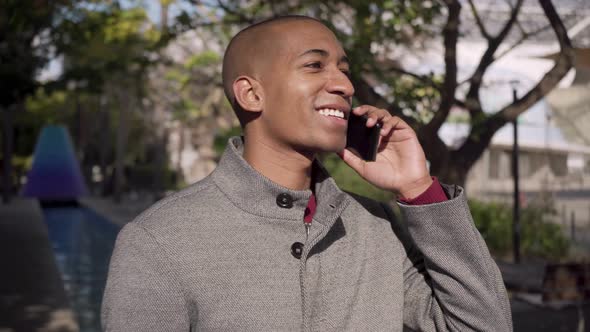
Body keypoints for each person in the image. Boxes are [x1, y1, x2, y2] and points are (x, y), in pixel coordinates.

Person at [101, 15, 512, 331]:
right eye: (315, 65)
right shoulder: (159, 241)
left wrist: (419, 190)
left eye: (343, 69)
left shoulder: (377, 228)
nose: (344, 85)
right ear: (251, 93)